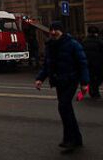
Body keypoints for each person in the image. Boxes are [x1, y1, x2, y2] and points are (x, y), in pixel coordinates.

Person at [35, 21, 89, 151]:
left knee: (64, 107)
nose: (53, 32)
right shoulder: (51, 45)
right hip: (59, 81)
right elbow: (47, 64)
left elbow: (82, 63)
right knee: (66, 109)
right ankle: (75, 139)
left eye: (56, 30)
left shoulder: (72, 44)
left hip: (70, 80)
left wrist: (84, 83)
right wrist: (40, 79)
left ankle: (71, 139)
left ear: (62, 31)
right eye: (51, 30)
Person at [81, 26, 103, 98]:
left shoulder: (84, 41)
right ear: (97, 33)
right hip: (97, 63)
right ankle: (94, 90)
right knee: (100, 77)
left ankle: (93, 91)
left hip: (87, 64)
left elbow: (80, 53)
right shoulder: (99, 41)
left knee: (91, 78)